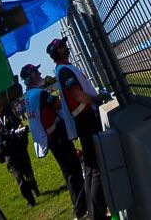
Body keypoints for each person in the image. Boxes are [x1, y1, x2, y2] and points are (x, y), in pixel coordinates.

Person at [48, 37, 110, 220]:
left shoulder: (64, 69)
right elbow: (78, 94)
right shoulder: (64, 71)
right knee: (96, 167)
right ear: (55, 52)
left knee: (91, 168)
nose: (65, 47)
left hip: (84, 120)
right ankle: (97, 214)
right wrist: (97, 99)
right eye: (61, 46)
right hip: (86, 119)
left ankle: (93, 213)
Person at [22, 63, 87, 218]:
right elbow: (57, 104)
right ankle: (80, 208)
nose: (39, 74)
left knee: (68, 172)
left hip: (49, 138)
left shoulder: (28, 96)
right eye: (36, 72)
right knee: (74, 171)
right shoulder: (40, 94)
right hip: (56, 136)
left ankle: (79, 206)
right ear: (30, 77)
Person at [0, 102, 39, 208]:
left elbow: (19, 123)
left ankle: (34, 187)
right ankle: (30, 200)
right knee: (18, 177)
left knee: (28, 171)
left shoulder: (9, 111)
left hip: (18, 146)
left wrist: (20, 131)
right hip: (7, 152)